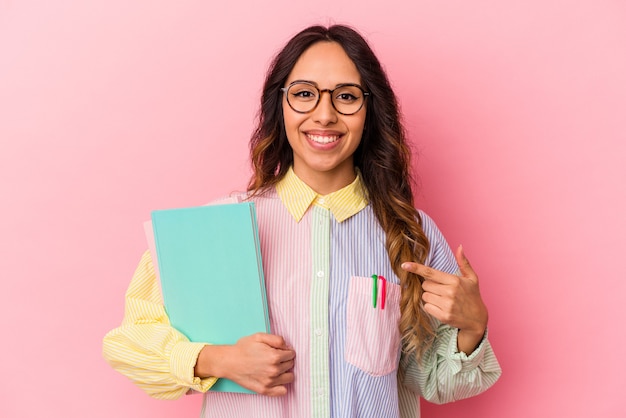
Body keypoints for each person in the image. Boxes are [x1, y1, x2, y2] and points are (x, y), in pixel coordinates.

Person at [103, 24, 501, 418]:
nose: (324, 115)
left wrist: (472, 327)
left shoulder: (412, 234)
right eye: (305, 94)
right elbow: (129, 342)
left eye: (346, 96)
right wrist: (217, 360)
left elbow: (435, 380)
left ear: (370, 109)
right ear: (280, 105)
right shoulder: (215, 227)